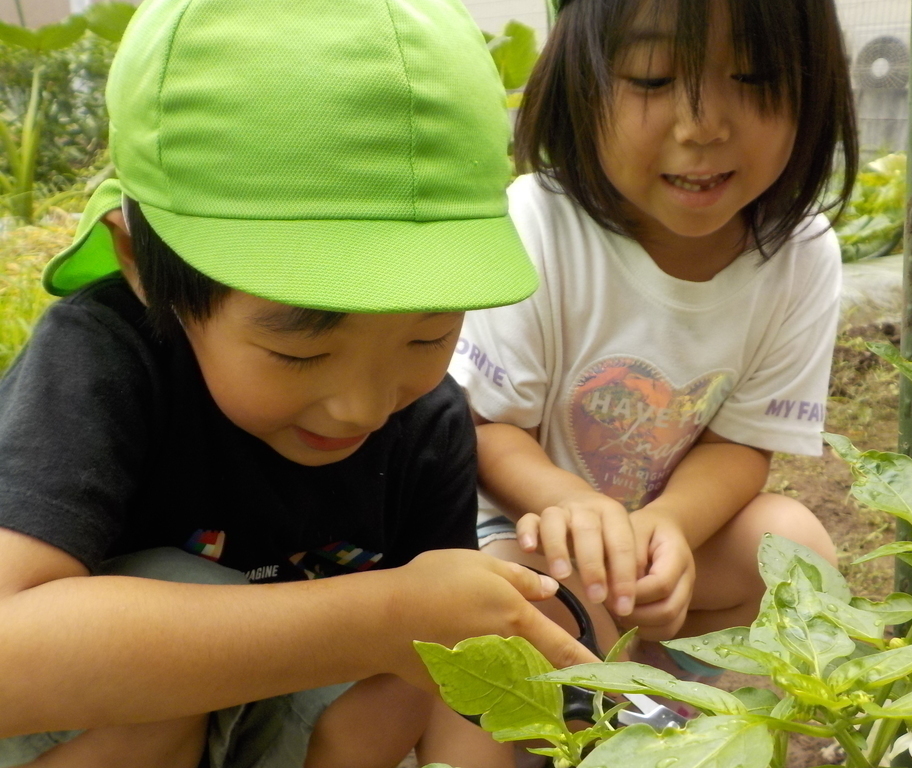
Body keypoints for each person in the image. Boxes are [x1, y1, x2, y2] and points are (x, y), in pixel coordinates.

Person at [0, 0, 597, 766]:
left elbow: (423, 683)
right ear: (142, 263)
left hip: (278, 735)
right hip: (87, 732)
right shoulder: (106, 359)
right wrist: (379, 617)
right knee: (179, 610)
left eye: (427, 335)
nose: (365, 405)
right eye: (300, 353)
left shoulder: (427, 423)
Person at [451, 0, 858, 679]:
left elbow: (738, 444)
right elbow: (488, 432)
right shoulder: (537, 226)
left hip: (661, 544)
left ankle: (661, 708)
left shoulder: (801, 254)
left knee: (796, 550)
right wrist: (582, 513)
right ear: (581, 82)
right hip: (525, 537)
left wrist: (670, 526)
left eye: (755, 78)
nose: (704, 127)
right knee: (553, 595)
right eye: (652, 77)